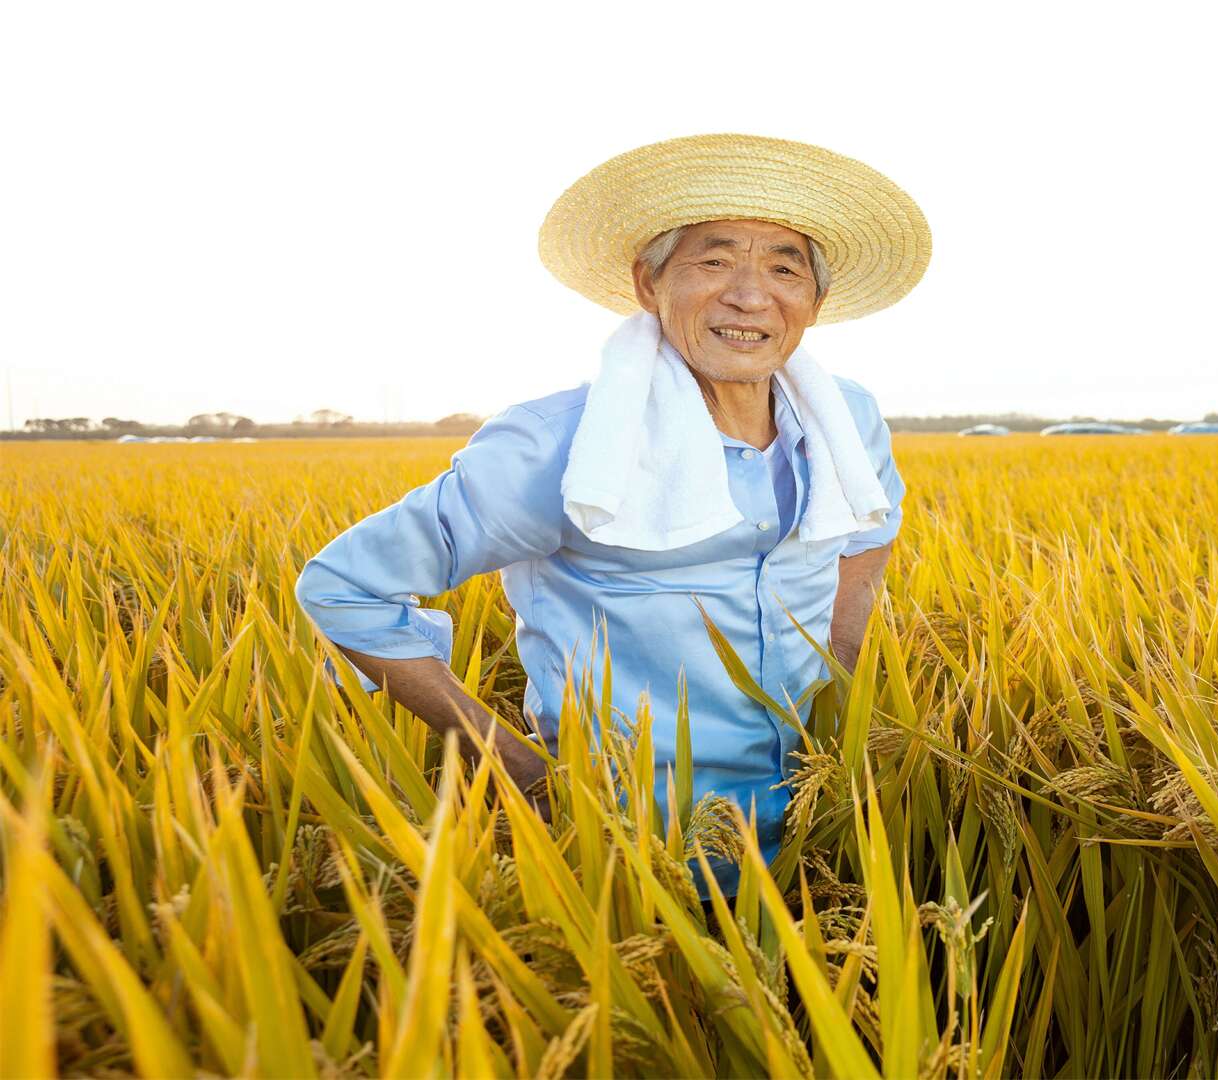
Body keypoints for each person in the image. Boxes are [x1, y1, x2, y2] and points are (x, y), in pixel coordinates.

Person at [293, 134, 930, 895]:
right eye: (714, 261)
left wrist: (843, 674)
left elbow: (869, 532)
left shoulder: (844, 423)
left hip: (813, 837)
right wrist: (516, 766)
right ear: (647, 283)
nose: (750, 295)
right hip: (619, 856)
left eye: (784, 267)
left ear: (815, 303)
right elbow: (342, 587)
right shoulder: (557, 446)